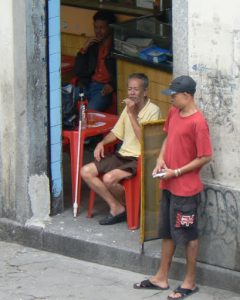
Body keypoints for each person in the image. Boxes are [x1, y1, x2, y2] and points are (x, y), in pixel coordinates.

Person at [133, 75, 212, 300]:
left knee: (188, 235)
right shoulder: (174, 113)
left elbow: (205, 156)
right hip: (168, 184)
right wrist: (160, 158)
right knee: (167, 231)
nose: (171, 100)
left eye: (174, 96)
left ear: (187, 96)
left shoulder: (198, 122)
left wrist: (176, 172)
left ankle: (190, 281)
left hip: (186, 190)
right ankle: (161, 276)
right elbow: (168, 137)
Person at [80, 73, 161, 225]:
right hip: (122, 155)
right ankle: (117, 207)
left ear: (145, 92)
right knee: (85, 171)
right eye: (129, 89)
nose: (131, 93)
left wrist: (131, 114)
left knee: (108, 178)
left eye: (136, 89)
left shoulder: (153, 111)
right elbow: (116, 133)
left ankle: (132, 203)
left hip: (139, 158)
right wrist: (102, 143)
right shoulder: (127, 109)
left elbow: (144, 141)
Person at [73, 10, 117, 112]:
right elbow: (78, 71)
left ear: (110, 27)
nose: (98, 31)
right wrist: (84, 49)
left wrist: (112, 85)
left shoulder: (116, 48)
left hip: (103, 89)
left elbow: (122, 74)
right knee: (65, 99)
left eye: (102, 28)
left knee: (90, 110)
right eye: (96, 27)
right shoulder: (93, 46)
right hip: (88, 84)